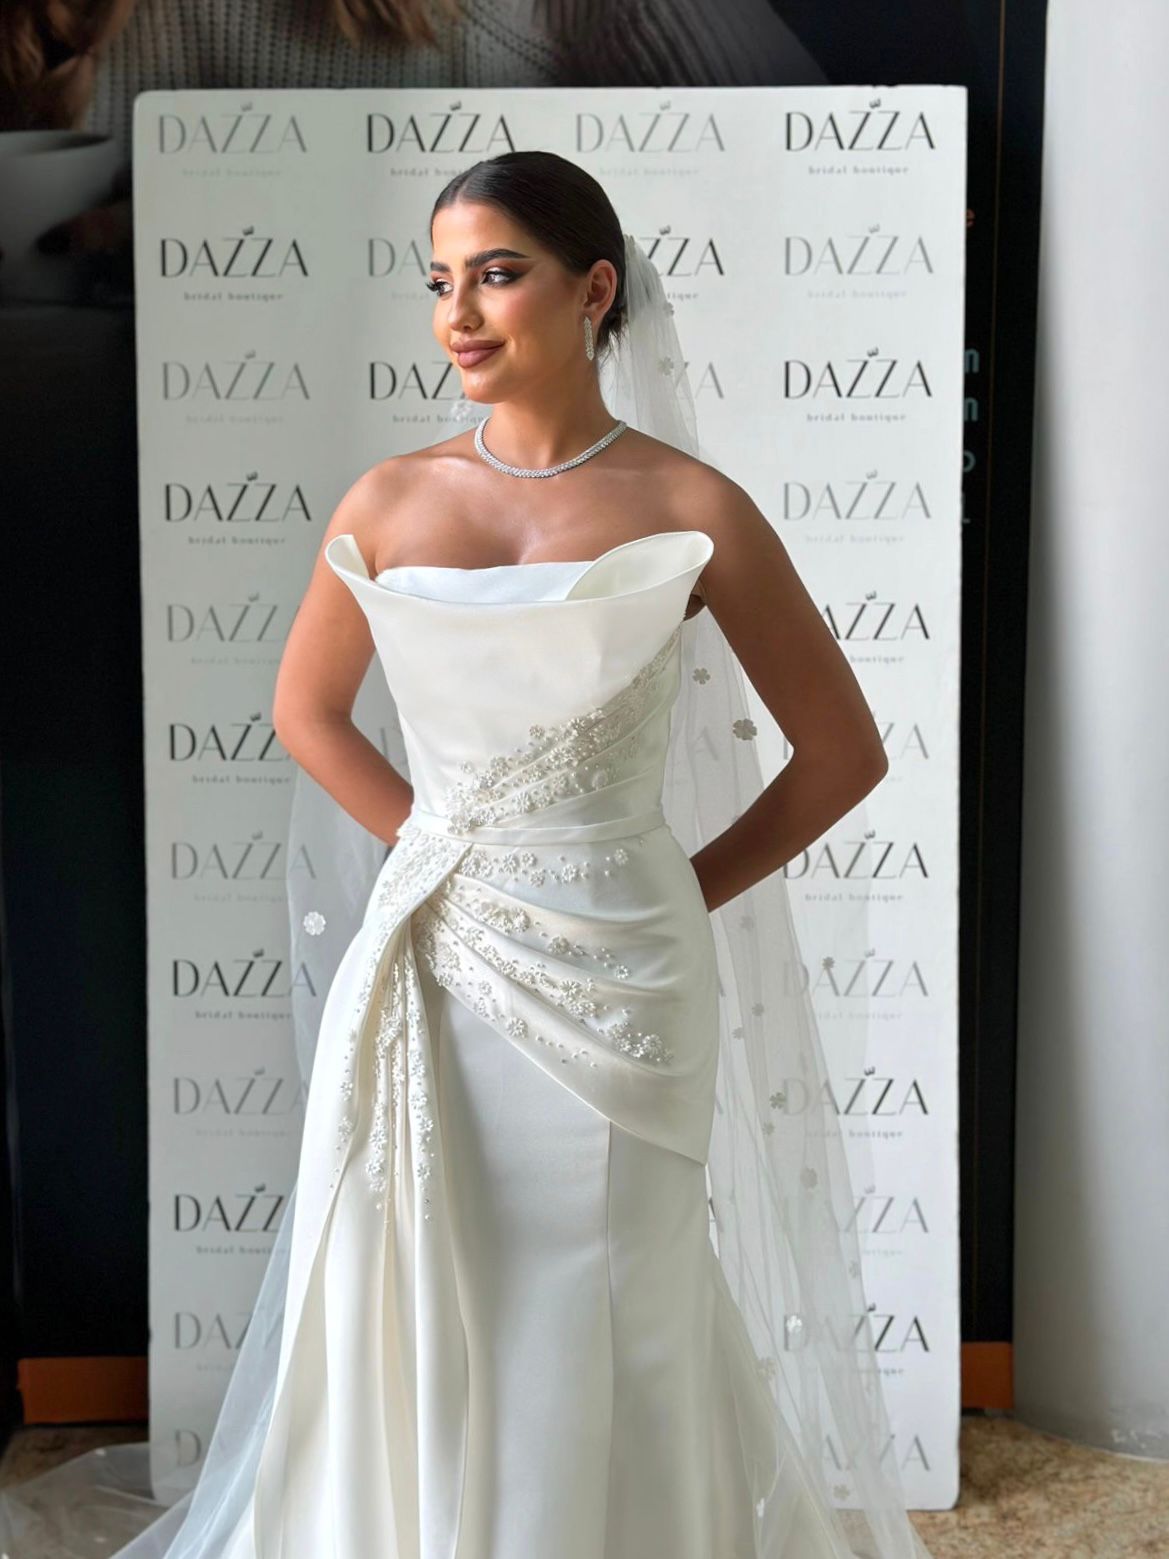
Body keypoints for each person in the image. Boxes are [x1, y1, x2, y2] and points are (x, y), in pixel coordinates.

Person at [0, 149, 939, 1558]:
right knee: (412, 1280)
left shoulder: (694, 505)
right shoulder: (388, 500)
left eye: (498, 275)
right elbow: (305, 713)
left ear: (594, 291)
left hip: (627, 973)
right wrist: (434, 845)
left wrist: (680, 892)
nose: (458, 313)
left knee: (618, 1290)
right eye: (440, 280)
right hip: (435, 954)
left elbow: (844, 753)